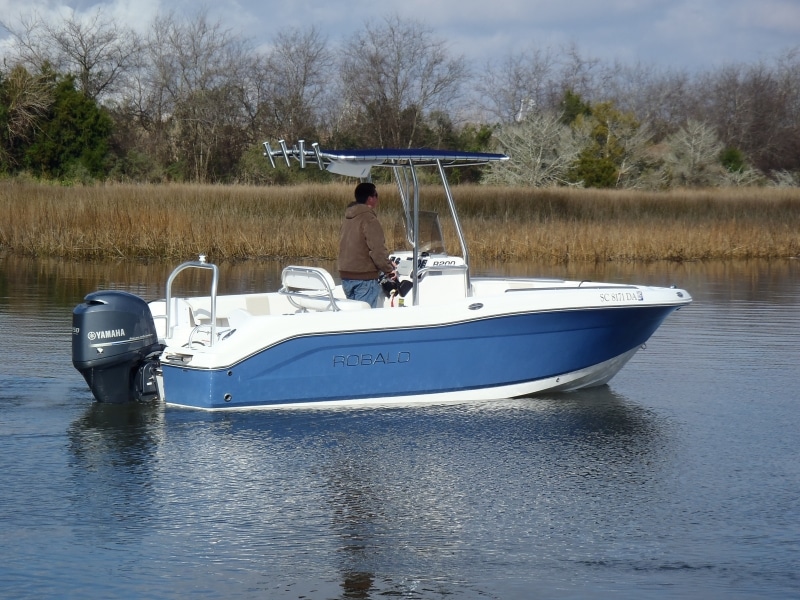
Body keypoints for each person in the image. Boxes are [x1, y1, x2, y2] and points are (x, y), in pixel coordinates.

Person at [338, 182, 396, 308]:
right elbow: (377, 251)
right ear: (370, 198)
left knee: (353, 316)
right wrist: (390, 269)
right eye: (376, 195)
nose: (377, 198)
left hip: (345, 276)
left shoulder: (348, 218)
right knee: (364, 319)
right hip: (364, 278)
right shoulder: (369, 219)